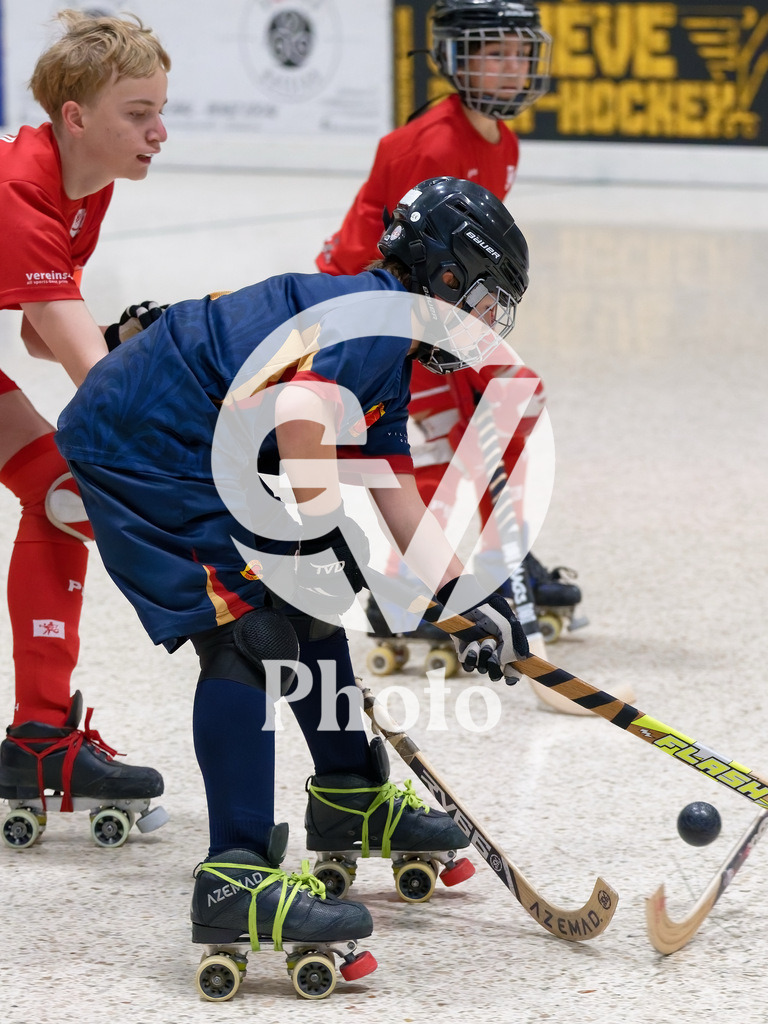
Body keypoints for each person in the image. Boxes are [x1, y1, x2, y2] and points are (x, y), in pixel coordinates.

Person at [54, 177, 532, 974]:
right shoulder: (375, 325)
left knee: (305, 601)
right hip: (142, 441)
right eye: (485, 300)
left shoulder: (389, 340)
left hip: (187, 442)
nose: (487, 325)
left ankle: (350, 792)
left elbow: (396, 493)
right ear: (446, 275)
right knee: (247, 630)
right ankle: (234, 877)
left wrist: (460, 603)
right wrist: (320, 535)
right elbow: (304, 418)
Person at [316, 0, 584, 637]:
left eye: (521, 52)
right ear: (456, 60)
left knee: (514, 402)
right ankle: (407, 585)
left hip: (440, 306)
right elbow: (404, 262)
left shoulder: (505, 142)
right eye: (494, 52)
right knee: (438, 435)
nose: (512, 66)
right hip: (378, 308)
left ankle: (499, 559)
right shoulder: (429, 144)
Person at [0, 10, 170, 832]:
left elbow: (42, 331)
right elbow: (93, 381)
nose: (159, 131)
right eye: (138, 113)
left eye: (160, 110)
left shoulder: (84, 189)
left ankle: (39, 738)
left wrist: (134, 337)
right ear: (77, 118)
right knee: (71, 489)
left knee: (61, 494)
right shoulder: (21, 195)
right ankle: (38, 736)